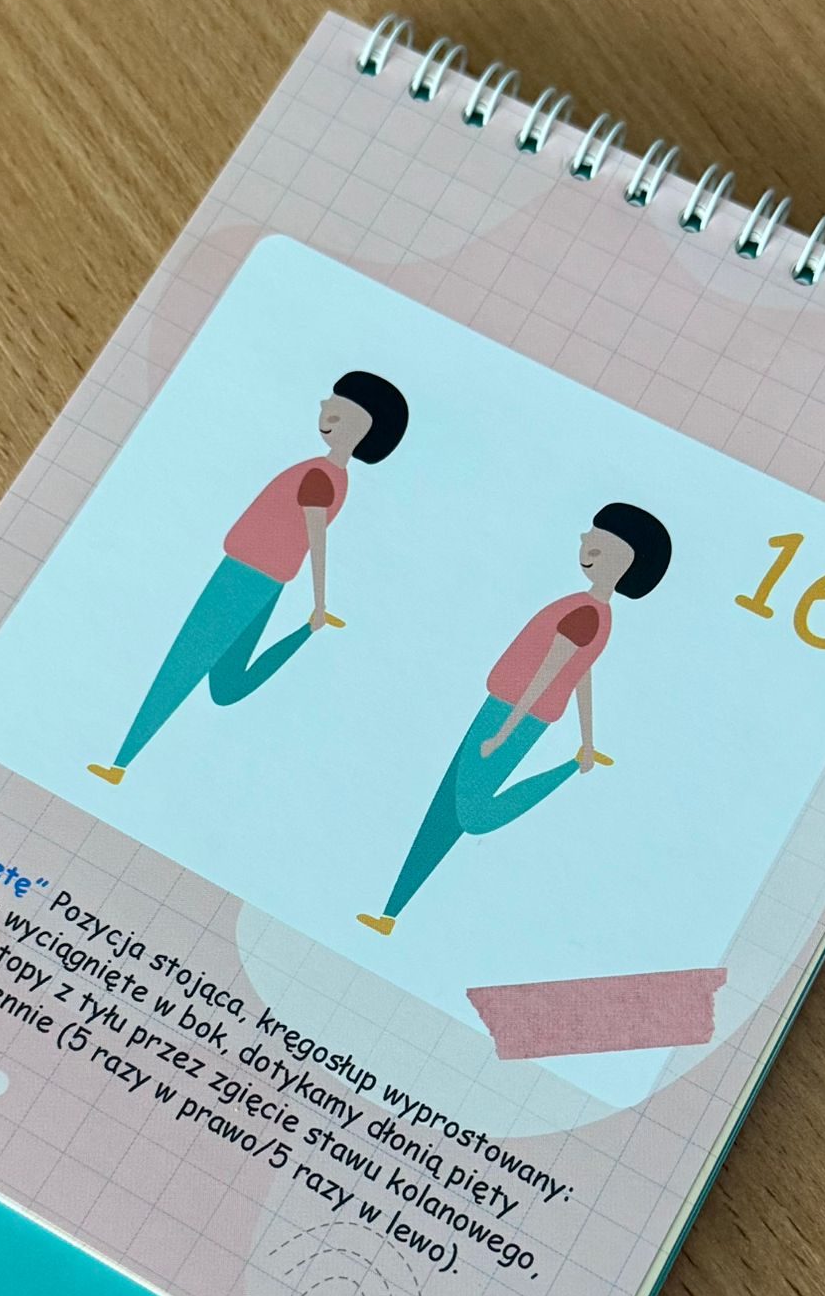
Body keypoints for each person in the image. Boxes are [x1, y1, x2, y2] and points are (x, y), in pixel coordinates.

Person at [357, 502, 672, 935]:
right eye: (588, 539)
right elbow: (580, 675)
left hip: (514, 716)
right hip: (504, 710)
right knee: (444, 812)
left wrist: (504, 734)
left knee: (470, 816)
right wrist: (588, 739)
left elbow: (550, 675)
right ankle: (390, 913)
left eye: (598, 547)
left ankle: (562, 772)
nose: (584, 547)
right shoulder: (593, 612)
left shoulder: (586, 613)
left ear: (623, 565)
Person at [88, 371, 409, 785]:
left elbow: (316, 540)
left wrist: (319, 601)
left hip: (244, 578)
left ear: (360, 430)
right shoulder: (330, 475)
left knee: (183, 662)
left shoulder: (321, 476)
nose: (323, 411)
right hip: (261, 581)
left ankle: (119, 764)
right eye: (327, 404)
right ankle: (305, 633)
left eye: (336, 411)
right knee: (225, 686)